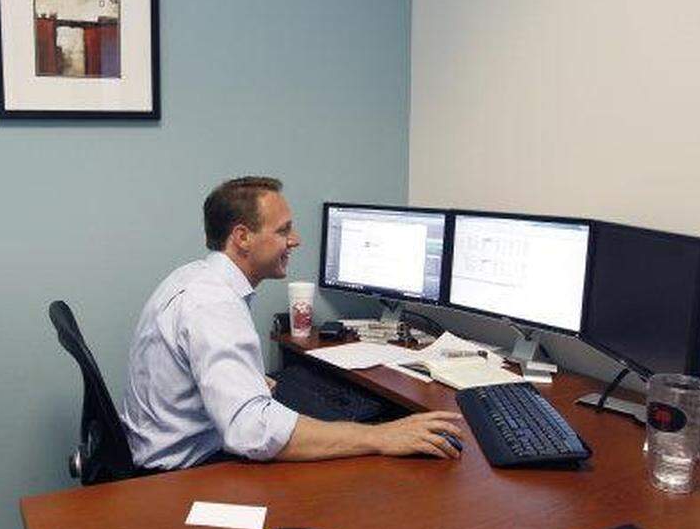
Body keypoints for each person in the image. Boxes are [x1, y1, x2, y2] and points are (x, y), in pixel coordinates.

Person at [120, 176, 463, 470]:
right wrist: (380, 436)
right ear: (242, 237)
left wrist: (245, 380)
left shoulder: (197, 278)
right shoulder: (214, 305)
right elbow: (251, 431)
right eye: (283, 230)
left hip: (165, 446)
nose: (295, 240)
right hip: (183, 472)